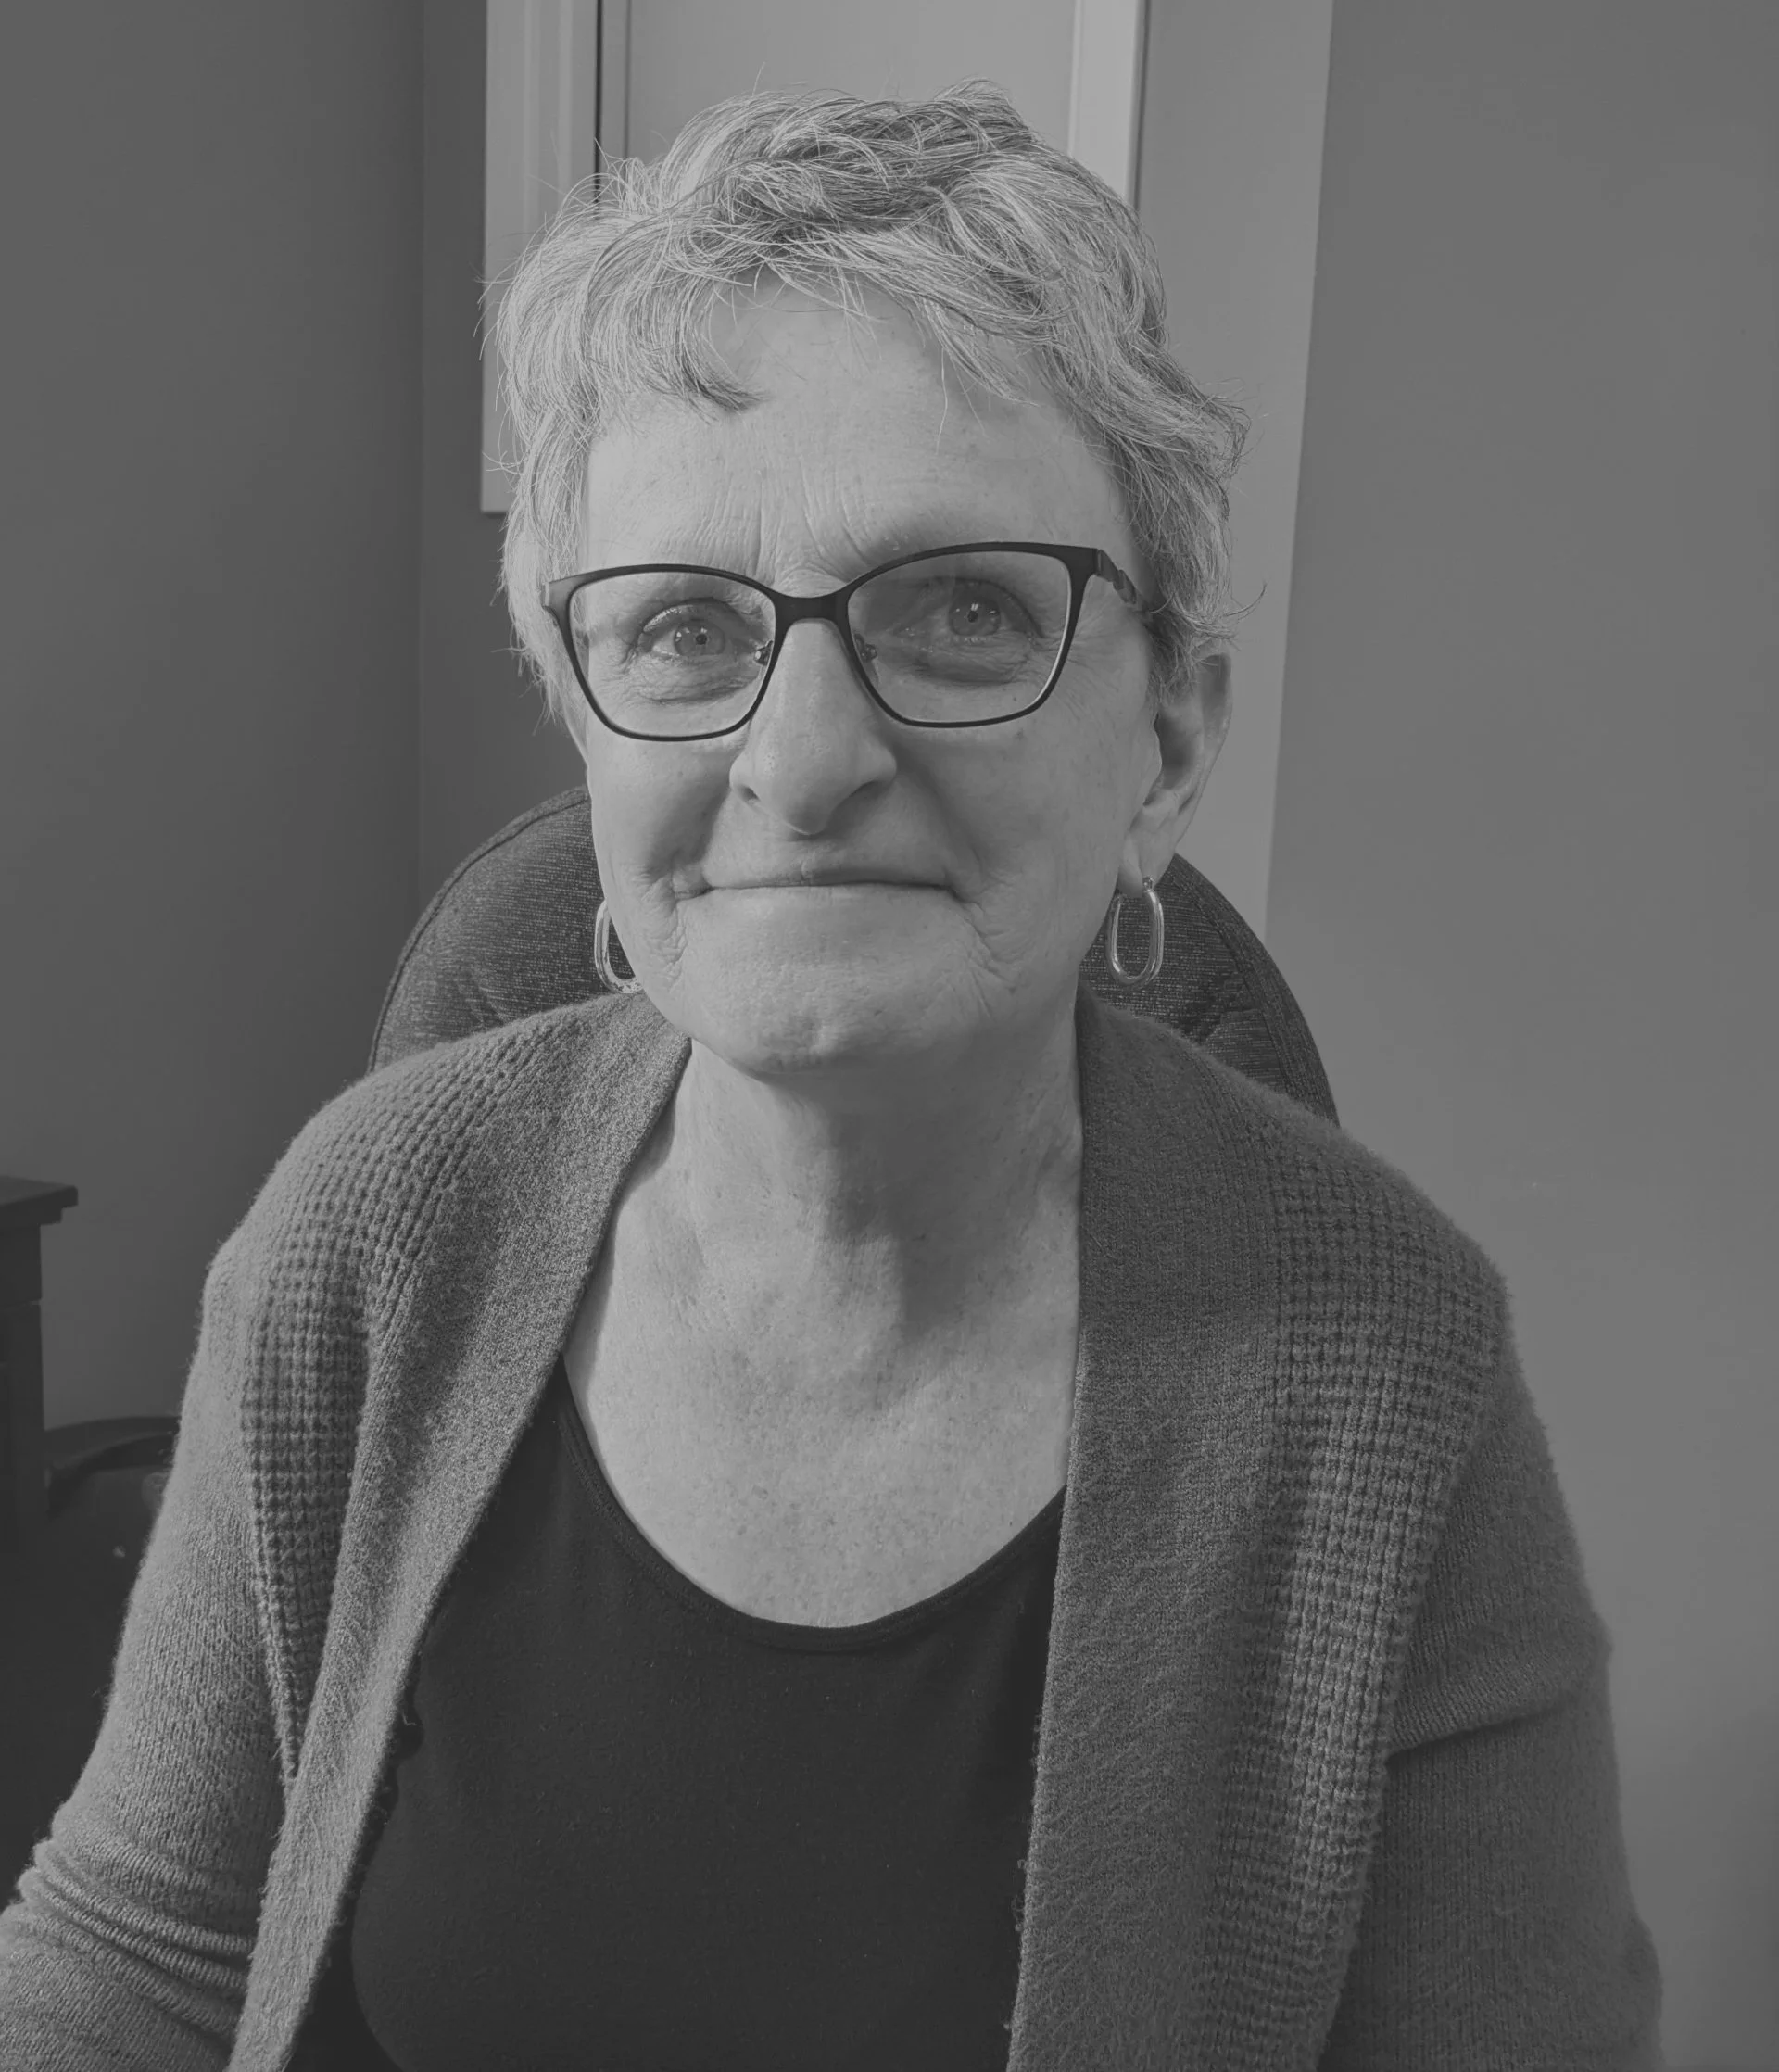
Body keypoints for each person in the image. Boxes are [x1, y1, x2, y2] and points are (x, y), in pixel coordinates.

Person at [0, 82, 1663, 2071]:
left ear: (1174, 741)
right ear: (590, 728)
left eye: (963, 609)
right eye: (688, 628)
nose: (798, 760)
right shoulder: (369, 1232)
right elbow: (134, 1959)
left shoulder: (1393, 1378)